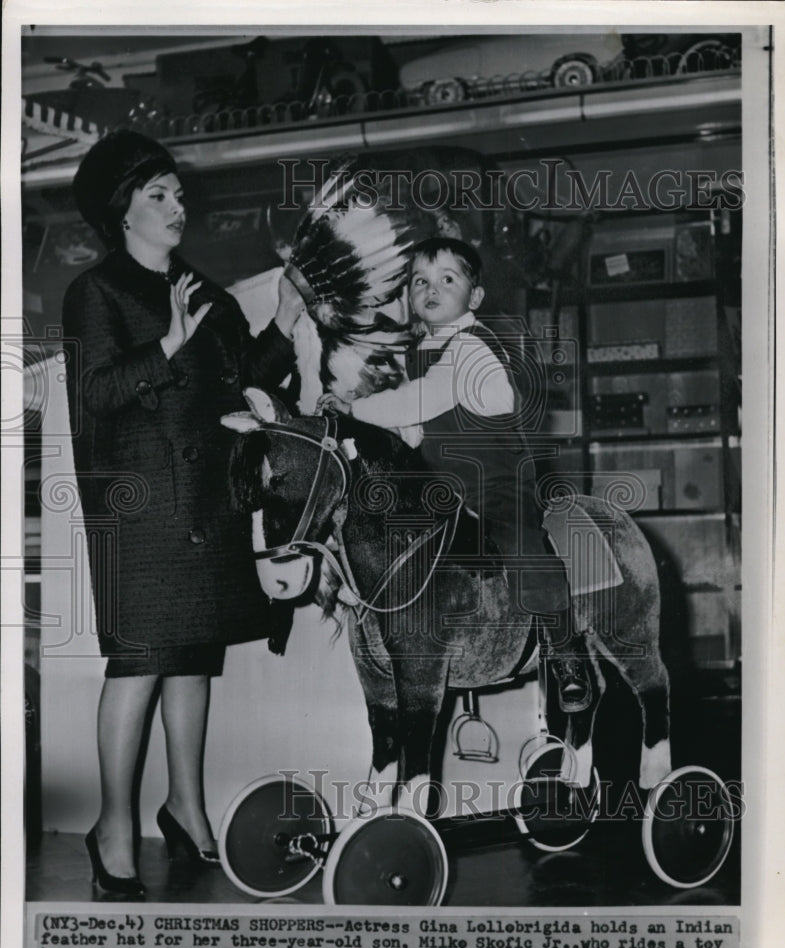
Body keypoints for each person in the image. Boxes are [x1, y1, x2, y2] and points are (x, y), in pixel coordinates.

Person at [63, 129, 304, 896]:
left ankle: (187, 809)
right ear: (122, 211)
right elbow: (96, 394)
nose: (178, 204)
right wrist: (167, 343)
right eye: (158, 194)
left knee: (195, 657)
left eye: (177, 192)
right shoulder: (95, 292)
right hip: (137, 507)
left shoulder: (203, 289)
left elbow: (242, 385)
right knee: (138, 664)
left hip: (208, 501)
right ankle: (111, 828)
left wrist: (288, 324)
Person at [319, 236, 590, 711]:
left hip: (496, 482)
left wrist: (354, 407)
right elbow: (414, 427)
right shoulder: (425, 350)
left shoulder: (469, 349)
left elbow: (419, 399)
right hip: (444, 484)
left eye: (448, 279)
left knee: (520, 541)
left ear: (475, 297)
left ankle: (565, 649)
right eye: (420, 281)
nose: (431, 289)